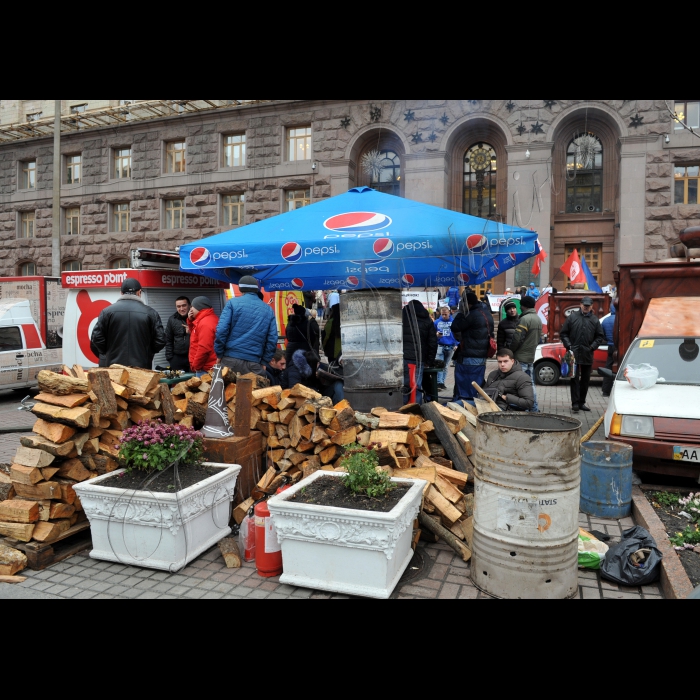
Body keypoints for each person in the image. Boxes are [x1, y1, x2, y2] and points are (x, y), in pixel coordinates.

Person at [90, 278, 165, 370]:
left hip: (115, 367)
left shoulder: (107, 312)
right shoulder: (151, 313)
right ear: (139, 292)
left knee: (116, 385)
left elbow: (96, 337)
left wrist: (108, 352)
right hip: (142, 367)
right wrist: (147, 352)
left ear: (121, 293)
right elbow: (160, 340)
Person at [214, 275, 277, 376]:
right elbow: (272, 339)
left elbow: (221, 330)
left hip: (230, 361)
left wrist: (219, 353)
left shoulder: (232, 303)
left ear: (240, 288)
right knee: (253, 391)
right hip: (254, 363)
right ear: (256, 289)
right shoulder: (268, 310)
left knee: (228, 391)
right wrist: (265, 361)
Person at [560, 296, 606, 412]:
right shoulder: (572, 317)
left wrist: (592, 347)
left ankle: (581, 402)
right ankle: (575, 403)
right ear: (580, 305)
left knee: (585, 380)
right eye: (584, 305)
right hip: (573, 353)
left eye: (588, 306)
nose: (586, 307)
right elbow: (563, 333)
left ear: (591, 306)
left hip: (587, 353)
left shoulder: (595, 320)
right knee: (574, 379)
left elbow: (599, 336)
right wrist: (569, 345)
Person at [451, 292, 494, 402]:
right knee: (476, 385)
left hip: (469, 356)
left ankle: (464, 406)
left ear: (467, 304)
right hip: (482, 355)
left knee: (465, 387)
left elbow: (455, 326)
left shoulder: (471, 315)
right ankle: (475, 404)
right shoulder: (486, 313)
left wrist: (460, 312)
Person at [509, 296, 543, 412]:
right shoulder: (538, 319)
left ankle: (526, 407)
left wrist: (511, 351)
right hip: (530, 357)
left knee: (521, 384)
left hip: (521, 357)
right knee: (530, 384)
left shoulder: (524, 319)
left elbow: (517, 339)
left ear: (523, 306)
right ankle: (534, 408)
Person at [402, 299, 438, 404]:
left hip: (402, 357)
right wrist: (429, 361)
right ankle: (415, 411)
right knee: (415, 386)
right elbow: (432, 343)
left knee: (403, 386)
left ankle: (401, 411)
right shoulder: (427, 320)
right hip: (418, 359)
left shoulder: (401, 318)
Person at [188, 297, 219, 377]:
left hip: (206, 369)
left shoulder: (205, 323)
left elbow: (204, 347)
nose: (190, 309)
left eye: (192, 306)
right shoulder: (207, 319)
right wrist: (190, 321)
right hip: (208, 366)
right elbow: (196, 336)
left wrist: (196, 366)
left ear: (198, 307)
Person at [164, 296, 191, 372]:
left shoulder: (195, 318)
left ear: (189, 305)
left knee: (194, 382)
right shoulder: (172, 319)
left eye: (184, 305)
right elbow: (168, 339)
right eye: (178, 306)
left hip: (192, 357)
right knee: (178, 383)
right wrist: (170, 358)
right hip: (177, 358)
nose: (181, 309)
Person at [434, 306, 457, 391]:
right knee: (440, 364)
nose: (444, 316)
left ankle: (442, 382)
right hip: (440, 345)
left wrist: (456, 344)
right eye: (442, 314)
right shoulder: (437, 322)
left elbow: (456, 333)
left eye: (445, 314)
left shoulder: (453, 322)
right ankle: (439, 382)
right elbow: (432, 333)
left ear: (449, 313)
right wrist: (436, 335)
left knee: (446, 366)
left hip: (450, 345)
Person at [601, 304, 616, 397]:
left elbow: (602, 335)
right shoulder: (622, 319)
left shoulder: (605, 321)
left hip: (610, 346)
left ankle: (606, 391)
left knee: (608, 369)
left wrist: (609, 340)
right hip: (620, 347)